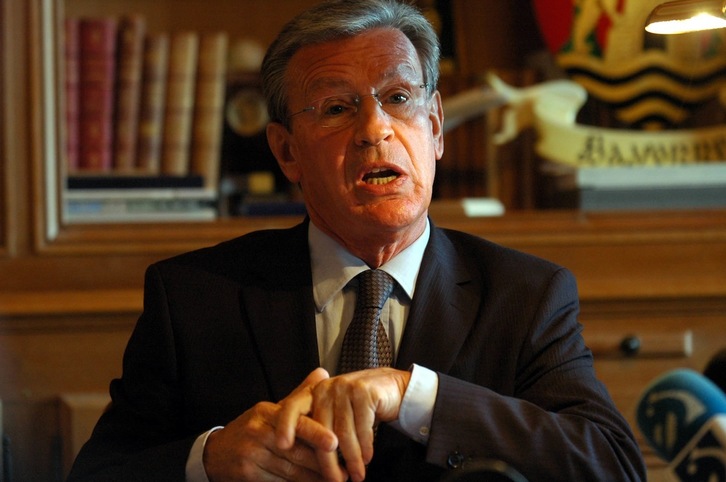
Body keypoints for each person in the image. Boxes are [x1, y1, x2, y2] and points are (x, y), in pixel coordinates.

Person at [67, 1, 646, 481]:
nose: (375, 130)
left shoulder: (526, 295)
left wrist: (413, 395)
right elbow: (99, 472)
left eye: (398, 98)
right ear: (287, 151)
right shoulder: (194, 297)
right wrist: (210, 458)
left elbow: (613, 464)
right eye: (337, 108)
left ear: (435, 127)